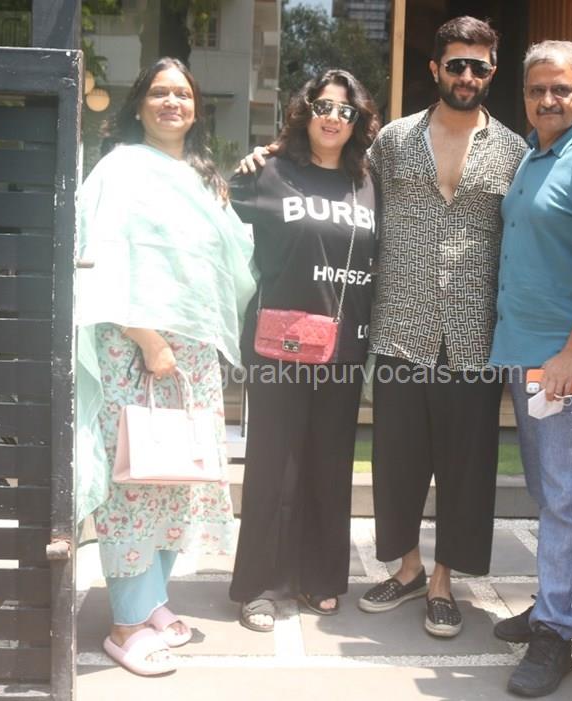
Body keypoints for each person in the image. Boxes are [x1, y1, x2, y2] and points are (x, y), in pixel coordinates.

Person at [75, 57, 256, 676]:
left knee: (177, 477)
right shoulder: (120, 169)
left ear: (196, 107)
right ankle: (125, 626)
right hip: (135, 346)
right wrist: (148, 340)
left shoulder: (203, 177)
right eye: (159, 92)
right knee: (133, 479)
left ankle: (151, 601)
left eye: (182, 93)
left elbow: (229, 255)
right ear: (139, 104)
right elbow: (100, 258)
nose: (171, 102)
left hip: (192, 350)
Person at [357, 16, 527, 638]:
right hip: (401, 325)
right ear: (435, 69)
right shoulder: (393, 141)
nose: (466, 76)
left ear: (492, 71)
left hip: (475, 334)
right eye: (456, 64)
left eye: (478, 66)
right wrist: (275, 155)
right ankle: (407, 569)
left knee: (466, 465)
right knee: (397, 460)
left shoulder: (515, 151)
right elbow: (343, 180)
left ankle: (442, 581)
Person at [489, 40, 572, 697]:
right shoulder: (532, 153)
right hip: (528, 356)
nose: (548, 99)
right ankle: (558, 601)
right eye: (537, 89)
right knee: (549, 494)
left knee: (569, 498)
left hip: (571, 361)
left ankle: (555, 635)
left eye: (560, 89)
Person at [228, 69, 379, 632]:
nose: (333, 117)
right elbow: (218, 238)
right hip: (278, 346)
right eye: (323, 106)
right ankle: (258, 586)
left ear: (357, 121)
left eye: (345, 110)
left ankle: (320, 577)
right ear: (305, 110)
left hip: (344, 348)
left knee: (329, 466)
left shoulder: (370, 183)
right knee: (272, 466)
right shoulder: (268, 173)